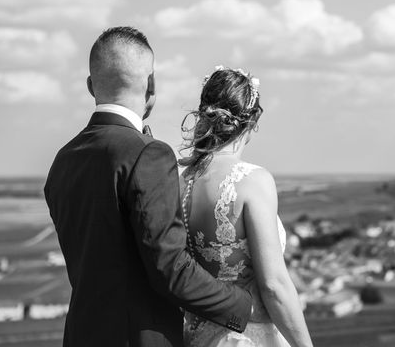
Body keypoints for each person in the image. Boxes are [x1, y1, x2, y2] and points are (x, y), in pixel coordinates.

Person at [44, 27, 253, 347]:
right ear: (151, 84)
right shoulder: (148, 153)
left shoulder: (63, 161)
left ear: (90, 86)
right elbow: (170, 268)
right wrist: (241, 305)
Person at [179, 66, 313, 347]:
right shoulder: (253, 181)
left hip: (195, 337)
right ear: (250, 123)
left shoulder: (180, 182)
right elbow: (274, 286)